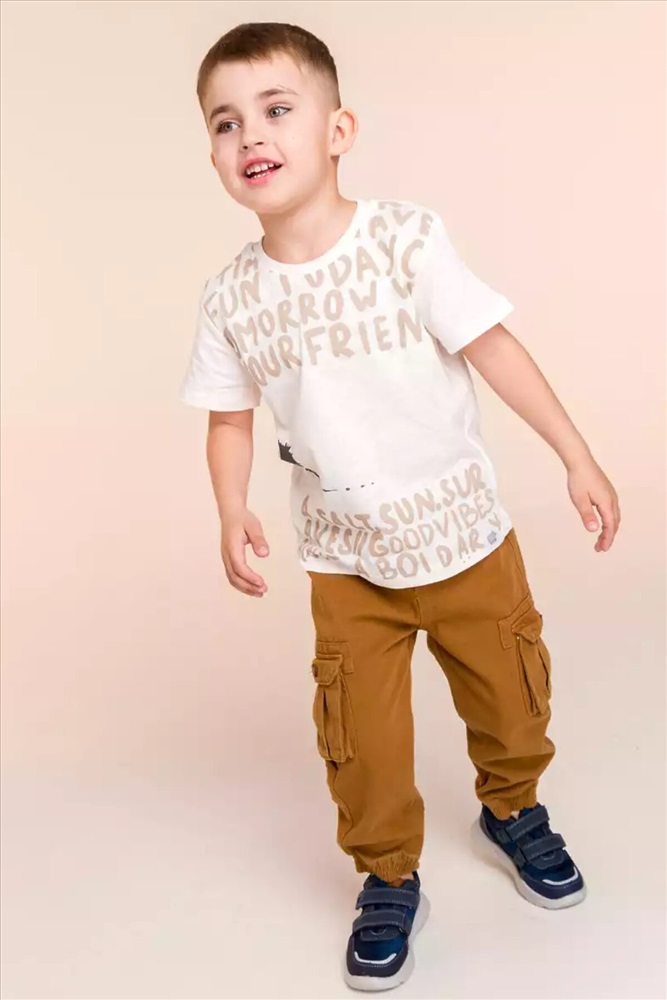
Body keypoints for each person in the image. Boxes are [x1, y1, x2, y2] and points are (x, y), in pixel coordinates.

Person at [180, 21, 621, 993]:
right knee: (361, 744)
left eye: (276, 109)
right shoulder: (231, 298)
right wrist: (229, 506)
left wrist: (574, 454)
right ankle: (386, 873)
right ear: (212, 156)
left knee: (512, 703)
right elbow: (227, 417)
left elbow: (491, 346)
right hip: (346, 563)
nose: (250, 135)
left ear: (338, 130)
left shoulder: (404, 240)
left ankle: (513, 809)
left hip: (464, 538)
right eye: (225, 122)